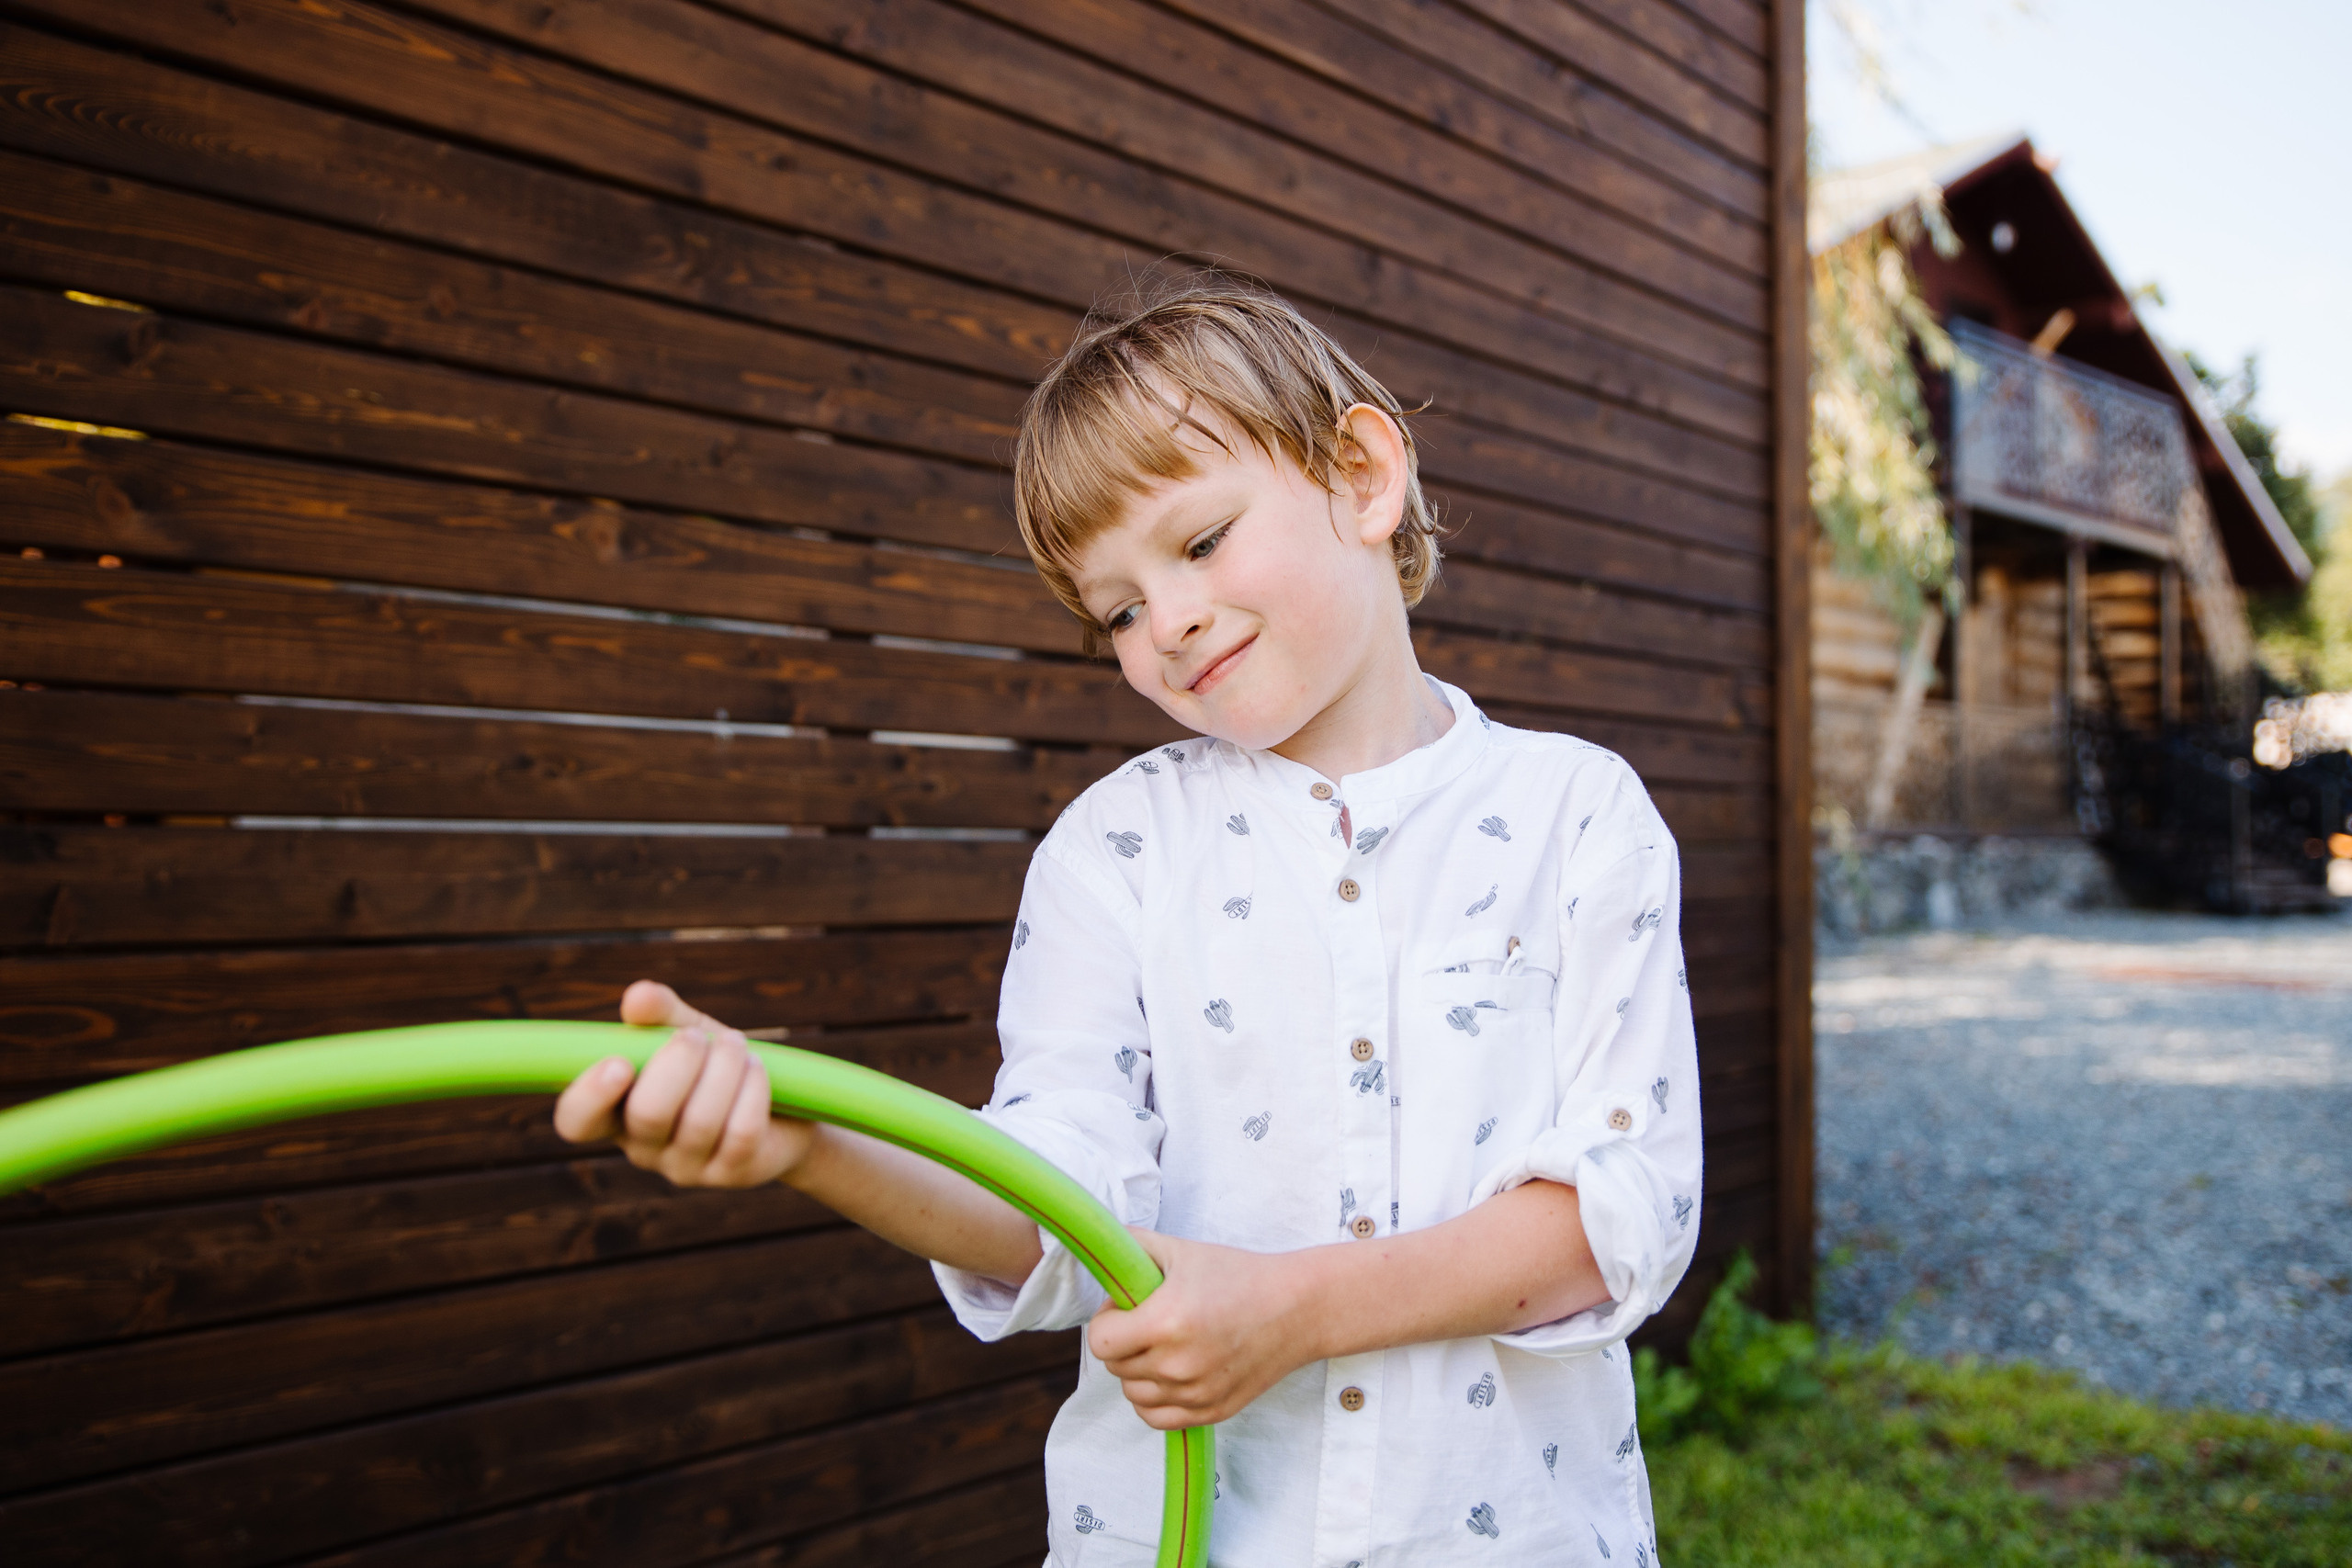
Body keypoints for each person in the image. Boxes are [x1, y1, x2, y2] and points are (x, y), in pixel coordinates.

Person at [554, 275, 1702, 1565]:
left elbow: (1620, 1214)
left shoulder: (1580, 815)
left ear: (1363, 474)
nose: (1168, 622)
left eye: (1201, 542)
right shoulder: (1113, 853)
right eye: (1114, 609)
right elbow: (1053, 1199)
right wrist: (811, 1135)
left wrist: (1290, 1310)